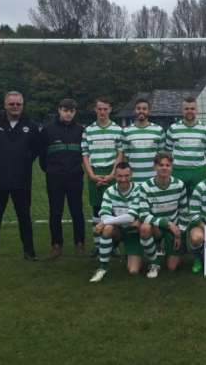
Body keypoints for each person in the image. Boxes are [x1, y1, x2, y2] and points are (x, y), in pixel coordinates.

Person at [0, 91, 41, 266]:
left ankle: (29, 252)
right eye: (11, 104)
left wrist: (27, 160)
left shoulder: (31, 125)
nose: (15, 107)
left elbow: (37, 148)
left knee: (24, 217)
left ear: (22, 105)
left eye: (18, 104)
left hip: (22, 180)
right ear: (5, 105)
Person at [39, 98, 86, 259]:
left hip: (75, 177)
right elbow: (42, 156)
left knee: (77, 211)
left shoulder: (81, 130)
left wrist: (75, 169)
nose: (68, 113)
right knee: (55, 212)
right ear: (59, 110)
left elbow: (84, 155)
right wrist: (52, 171)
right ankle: (56, 245)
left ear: (75, 112)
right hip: (55, 178)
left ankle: (80, 243)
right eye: (65, 110)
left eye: (71, 111)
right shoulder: (47, 130)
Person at [81, 97, 124, 256]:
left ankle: (113, 245)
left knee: (113, 210)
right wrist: (92, 175)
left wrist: (113, 174)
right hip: (95, 172)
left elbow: (120, 153)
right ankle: (98, 245)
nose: (102, 112)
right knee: (97, 209)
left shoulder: (118, 130)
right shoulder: (88, 130)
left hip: (112, 173)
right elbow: (85, 154)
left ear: (110, 110)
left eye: (105, 109)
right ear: (95, 110)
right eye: (99, 109)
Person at [89, 162, 142, 282]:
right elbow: (104, 214)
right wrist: (106, 222)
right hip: (118, 230)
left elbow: (131, 217)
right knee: (107, 229)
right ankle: (102, 268)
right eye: (119, 176)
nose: (123, 179)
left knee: (133, 271)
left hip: (133, 232)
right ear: (115, 176)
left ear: (131, 175)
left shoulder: (139, 190)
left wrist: (105, 222)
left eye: (126, 176)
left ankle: (132, 253)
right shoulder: (109, 191)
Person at [137, 152, 189, 275]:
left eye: (168, 165)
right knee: (144, 228)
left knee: (172, 267)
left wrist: (179, 233)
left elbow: (184, 212)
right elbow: (143, 214)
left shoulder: (179, 184)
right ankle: (155, 262)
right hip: (157, 227)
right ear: (155, 167)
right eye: (161, 165)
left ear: (171, 167)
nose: (164, 168)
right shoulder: (145, 186)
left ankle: (165, 249)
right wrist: (168, 224)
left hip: (174, 229)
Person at [165, 96, 206, 197]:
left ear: (197, 110)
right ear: (182, 110)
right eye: (186, 109)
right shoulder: (173, 128)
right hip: (178, 170)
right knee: (178, 199)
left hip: (198, 171)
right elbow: (168, 153)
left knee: (197, 198)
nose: (189, 111)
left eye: (192, 108)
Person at [122, 97, 165, 183]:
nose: (141, 111)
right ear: (134, 110)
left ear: (149, 111)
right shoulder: (126, 131)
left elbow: (161, 157)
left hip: (153, 179)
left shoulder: (159, 130)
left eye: (144, 109)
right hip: (133, 180)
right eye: (138, 108)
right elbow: (126, 157)